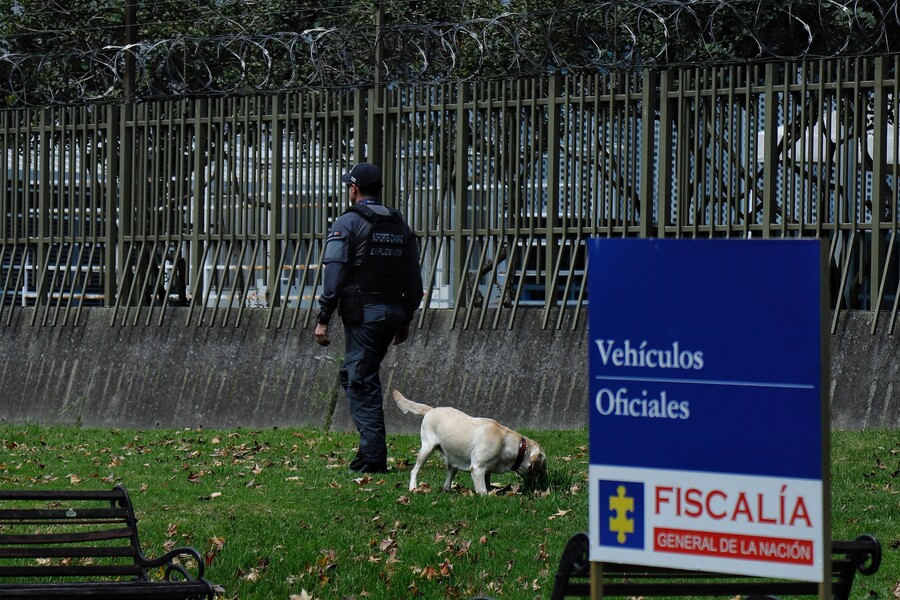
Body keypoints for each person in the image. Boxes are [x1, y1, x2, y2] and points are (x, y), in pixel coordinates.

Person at [314, 162, 423, 474]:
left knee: (361, 382)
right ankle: (366, 453)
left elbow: (334, 276)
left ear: (354, 189)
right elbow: (414, 279)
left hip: (364, 315)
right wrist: (405, 318)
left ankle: (373, 459)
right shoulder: (399, 224)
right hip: (392, 313)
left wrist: (323, 317)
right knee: (353, 375)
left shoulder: (348, 222)